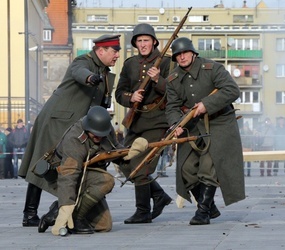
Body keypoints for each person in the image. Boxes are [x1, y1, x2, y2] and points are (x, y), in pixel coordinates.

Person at [18, 34, 121, 227]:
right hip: (57, 120)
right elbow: (78, 72)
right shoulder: (84, 61)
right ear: (101, 51)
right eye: (114, 51)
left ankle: (62, 208)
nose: (117, 55)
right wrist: (90, 77)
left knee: (67, 166)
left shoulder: (104, 71)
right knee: (42, 163)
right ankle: (29, 213)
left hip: (75, 125)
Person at [165, 37, 245, 225]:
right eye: (178, 55)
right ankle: (209, 205)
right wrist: (176, 125)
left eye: (185, 53)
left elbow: (232, 90)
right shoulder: (173, 79)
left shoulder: (212, 68)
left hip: (219, 123)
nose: (182, 57)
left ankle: (202, 212)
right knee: (185, 168)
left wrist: (206, 105)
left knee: (208, 166)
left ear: (193, 53)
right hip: (192, 125)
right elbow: (172, 107)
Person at [115, 23, 172, 224]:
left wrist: (158, 80)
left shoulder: (165, 62)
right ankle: (159, 195)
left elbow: (175, 92)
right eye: (139, 41)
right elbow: (119, 92)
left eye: (146, 40)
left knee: (141, 165)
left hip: (157, 121)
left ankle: (143, 211)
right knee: (121, 159)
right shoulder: (130, 64)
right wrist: (131, 97)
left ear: (154, 41)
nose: (143, 44)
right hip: (135, 121)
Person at [37, 106, 123, 235]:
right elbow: (68, 174)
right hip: (64, 178)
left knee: (104, 226)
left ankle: (55, 212)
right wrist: (66, 206)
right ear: (88, 127)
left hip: (87, 177)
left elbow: (114, 148)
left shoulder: (105, 128)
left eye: (102, 135)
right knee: (106, 180)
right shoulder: (75, 139)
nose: (99, 138)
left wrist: (131, 152)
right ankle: (75, 216)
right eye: (95, 135)